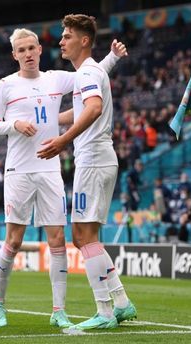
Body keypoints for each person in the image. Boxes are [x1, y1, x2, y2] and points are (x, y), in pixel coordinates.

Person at [0, 27, 127, 328]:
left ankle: (58, 310)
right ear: (14, 55)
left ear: (39, 49)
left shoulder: (55, 78)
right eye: (21, 50)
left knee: (58, 240)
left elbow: (93, 75)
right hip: (19, 171)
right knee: (14, 239)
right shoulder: (4, 86)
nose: (27, 54)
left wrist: (112, 57)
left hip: (50, 170)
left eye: (31, 48)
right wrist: (14, 125)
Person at [37, 14, 137, 330]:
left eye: (67, 36)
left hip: (93, 161)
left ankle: (105, 312)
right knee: (85, 235)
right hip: (98, 159)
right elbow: (81, 108)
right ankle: (121, 302)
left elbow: (92, 109)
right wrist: (48, 123)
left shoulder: (87, 73)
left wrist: (62, 141)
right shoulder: (89, 72)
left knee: (83, 236)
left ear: (83, 40)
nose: (61, 41)